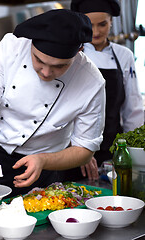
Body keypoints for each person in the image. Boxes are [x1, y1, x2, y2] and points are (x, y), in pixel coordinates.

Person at [0, 9, 106, 198]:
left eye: (59, 66)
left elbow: (84, 149)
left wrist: (43, 160)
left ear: (79, 51)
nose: (45, 72)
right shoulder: (10, 49)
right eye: (38, 60)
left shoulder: (92, 82)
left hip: (47, 166)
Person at [63, 0, 144, 182]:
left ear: (111, 22)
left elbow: (133, 107)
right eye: (89, 25)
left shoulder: (124, 56)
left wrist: (134, 150)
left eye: (102, 24)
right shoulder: (71, 53)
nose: (96, 31)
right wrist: (78, 148)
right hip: (74, 147)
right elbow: (64, 106)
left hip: (113, 147)